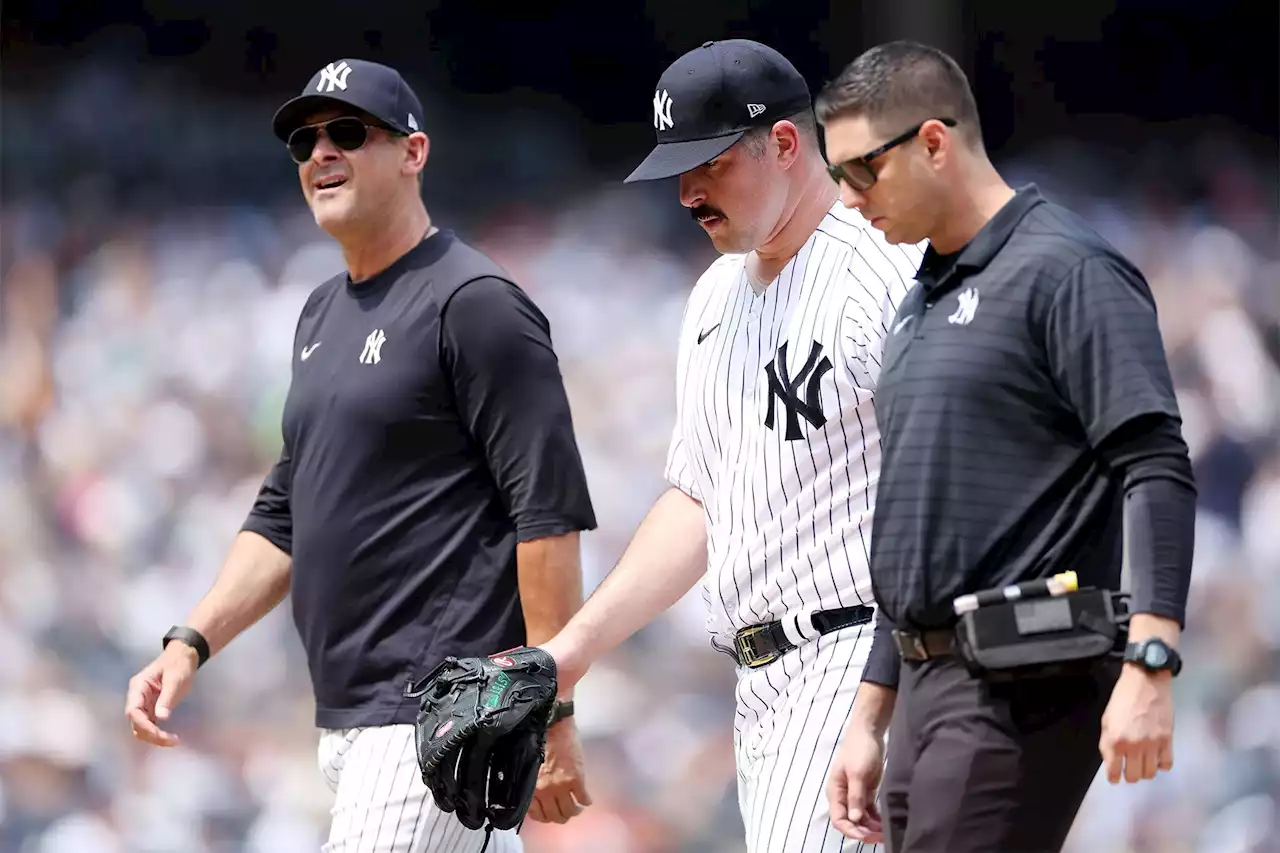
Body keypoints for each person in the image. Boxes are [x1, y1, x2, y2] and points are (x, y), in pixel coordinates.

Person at [123, 58, 598, 853]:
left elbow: (545, 514)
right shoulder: (319, 312)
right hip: (348, 720)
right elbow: (286, 509)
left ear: (414, 152)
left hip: (435, 716)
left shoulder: (473, 302)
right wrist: (191, 638)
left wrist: (551, 710)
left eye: (348, 132)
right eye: (304, 141)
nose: (321, 153)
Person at [538, 39, 923, 853]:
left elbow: (943, 486)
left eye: (708, 164)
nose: (686, 193)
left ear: (784, 145)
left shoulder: (884, 270)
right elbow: (699, 502)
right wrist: (569, 652)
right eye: (679, 171)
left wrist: (888, 692)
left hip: (860, 657)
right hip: (763, 682)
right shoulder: (716, 294)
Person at [816, 41, 1197, 853]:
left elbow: (1155, 462)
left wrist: (1153, 655)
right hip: (927, 685)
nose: (848, 200)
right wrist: (870, 711)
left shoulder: (1068, 269)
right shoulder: (923, 294)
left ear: (932, 142)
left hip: (1023, 677)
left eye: (861, 171)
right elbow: (915, 524)